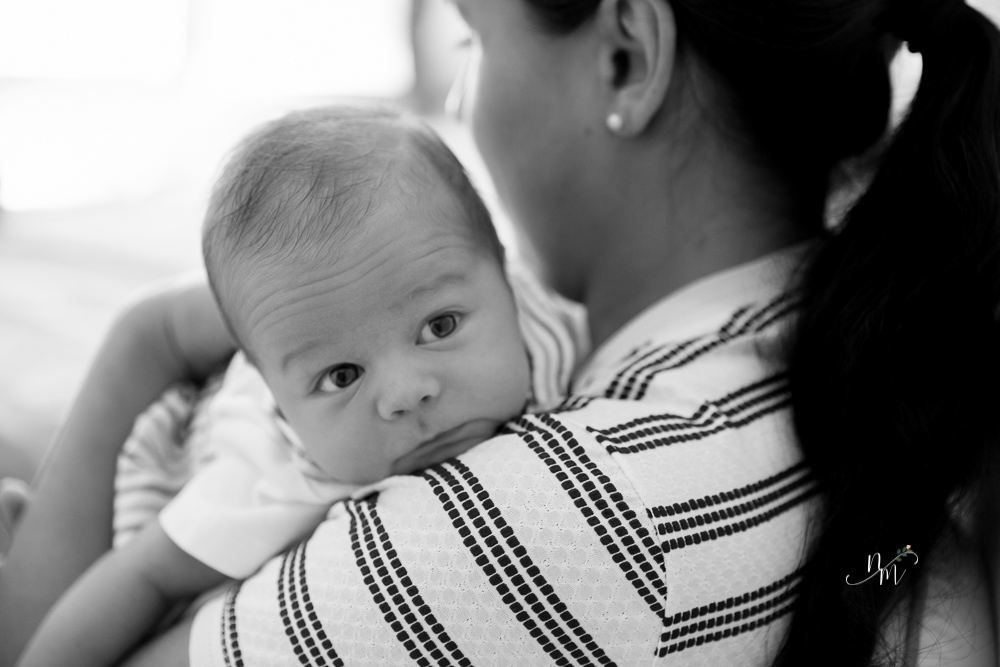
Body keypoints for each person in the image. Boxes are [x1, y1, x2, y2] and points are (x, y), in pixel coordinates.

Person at [2, 0, 998, 664]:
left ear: (626, 58)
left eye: (474, 39)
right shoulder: (850, 337)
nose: (458, 98)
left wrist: (142, 340)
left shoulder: (525, 523)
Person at [13, 105, 587, 667]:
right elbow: (144, 576)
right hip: (169, 470)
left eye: (439, 327)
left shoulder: (553, 320)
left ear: (503, 275)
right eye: (343, 376)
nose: (405, 393)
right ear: (277, 396)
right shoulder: (270, 473)